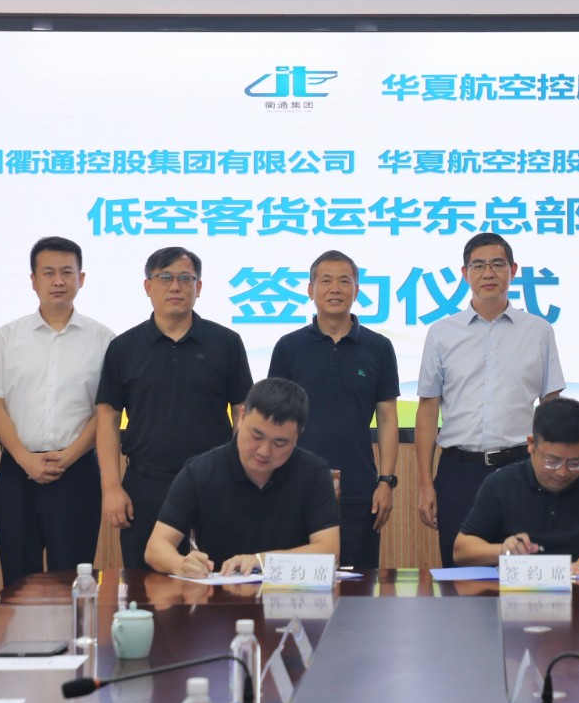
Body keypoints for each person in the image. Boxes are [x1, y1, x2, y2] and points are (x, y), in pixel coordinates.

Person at [95, 247, 252, 570]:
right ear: (148, 286)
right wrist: (111, 487)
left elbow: (243, 410)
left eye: (185, 278)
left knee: (218, 580)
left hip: (214, 482)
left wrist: (237, 472)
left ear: (199, 287)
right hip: (146, 485)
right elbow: (108, 419)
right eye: (165, 278)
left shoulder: (226, 343)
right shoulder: (124, 347)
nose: (175, 287)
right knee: (145, 585)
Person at [414, 232, 565, 567]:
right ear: (464, 273)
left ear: (513, 270)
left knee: (523, 571)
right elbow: (427, 411)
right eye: (478, 265)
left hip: (520, 469)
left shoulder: (539, 331)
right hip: (458, 471)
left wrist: (551, 470)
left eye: (497, 264)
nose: (488, 273)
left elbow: (552, 406)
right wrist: (425, 483)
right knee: (459, 573)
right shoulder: (441, 333)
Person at [0, 236, 115, 584]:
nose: (58, 281)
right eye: (49, 272)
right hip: (17, 472)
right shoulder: (6, 337)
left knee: (72, 578)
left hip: (77, 472)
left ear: (80, 279)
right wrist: (24, 458)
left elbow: (105, 411)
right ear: (33, 280)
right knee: (17, 578)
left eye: (67, 272)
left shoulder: (104, 340)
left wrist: (69, 455)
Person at [267, 250, 399, 568]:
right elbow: (273, 418)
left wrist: (386, 481)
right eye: (325, 281)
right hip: (294, 486)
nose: (335, 289)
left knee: (358, 582)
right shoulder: (288, 347)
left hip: (359, 489)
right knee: (296, 580)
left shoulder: (379, 348)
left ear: (357, 290)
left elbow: (387, 418)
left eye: (344, 281)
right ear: (310, 290)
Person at [146, 377, 339, 576]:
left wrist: (260, 560)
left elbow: (330, 551)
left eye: (279, 443)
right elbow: (156, 547)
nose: (264, 451)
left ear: (298, 435)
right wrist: (180, 564)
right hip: (219, 590)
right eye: (256, 436)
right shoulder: (200, 471)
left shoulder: (313, 472)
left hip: (291, 592)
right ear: (241, 416)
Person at [453, 398, 579, 573]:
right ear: (531, 444)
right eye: (552, 461)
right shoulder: (501, 484)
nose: (562, 472)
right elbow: (461, 550)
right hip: (519, 596)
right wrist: (503, 550)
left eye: (576, 463)